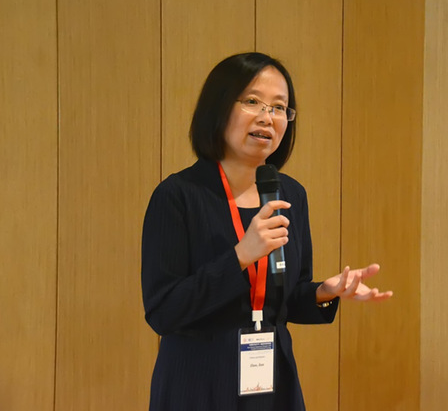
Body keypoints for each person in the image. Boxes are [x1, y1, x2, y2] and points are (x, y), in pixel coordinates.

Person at [141, 52, 393, 410]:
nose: (267, 117)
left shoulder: (289, 194)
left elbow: (285, 300)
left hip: (270, 381)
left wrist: (325, 291)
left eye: (279, 108)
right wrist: (240, 256)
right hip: (198, 382)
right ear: (218, 107)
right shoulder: (177, 196)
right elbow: (163, 311)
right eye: (252, 101)